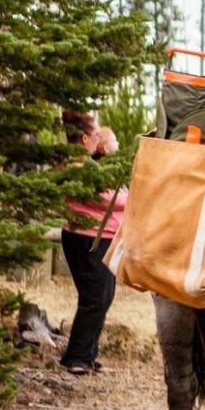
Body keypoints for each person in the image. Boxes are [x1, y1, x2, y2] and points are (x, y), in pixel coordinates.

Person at [60, 111, 125, 376]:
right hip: (87, 239)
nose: (99, 138)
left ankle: (87, 354)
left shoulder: (88, 163)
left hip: (101, 238)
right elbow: (108, 199)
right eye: (97, 134)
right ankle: (76, 357)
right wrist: (133, 198)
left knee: (103, 296)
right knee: (94, 297)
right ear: (85, 137)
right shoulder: (76, 166)